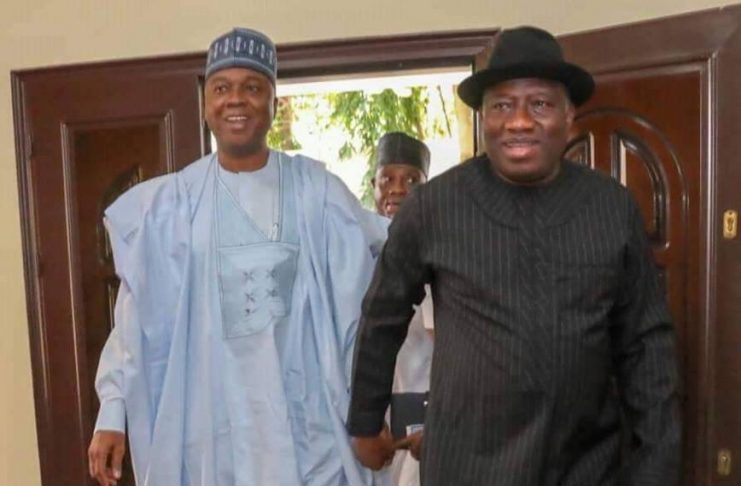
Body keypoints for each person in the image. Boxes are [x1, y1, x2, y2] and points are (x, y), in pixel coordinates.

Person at [347, 26, 682, 486]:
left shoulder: (612, 208)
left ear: (569, 114)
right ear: (484, 118)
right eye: (502, 106)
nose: (519, 121)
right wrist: (366, 421)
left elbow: (646, 346)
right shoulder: (434, 207)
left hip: (582, 465)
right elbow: (383, 314)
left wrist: (655, 467)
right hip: (466, 466)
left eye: (540, 104)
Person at [87, 27, 389, 486]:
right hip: (211, 430)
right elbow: (134, 320)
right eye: (221, 88)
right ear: (205, 103)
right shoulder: (174, 206)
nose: (235, 100)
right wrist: (112, 410)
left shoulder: (316, 194)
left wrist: (368, 413)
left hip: (307, 431)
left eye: (252, 87)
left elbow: (358, 311)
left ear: (274, 102)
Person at [371, 132, 433, 486]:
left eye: (411, 180)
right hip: (370, 421)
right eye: (388, 179)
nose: (397, 189)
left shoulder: (436, 252)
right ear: (373, 186)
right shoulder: (357, 250)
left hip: (420, 418)